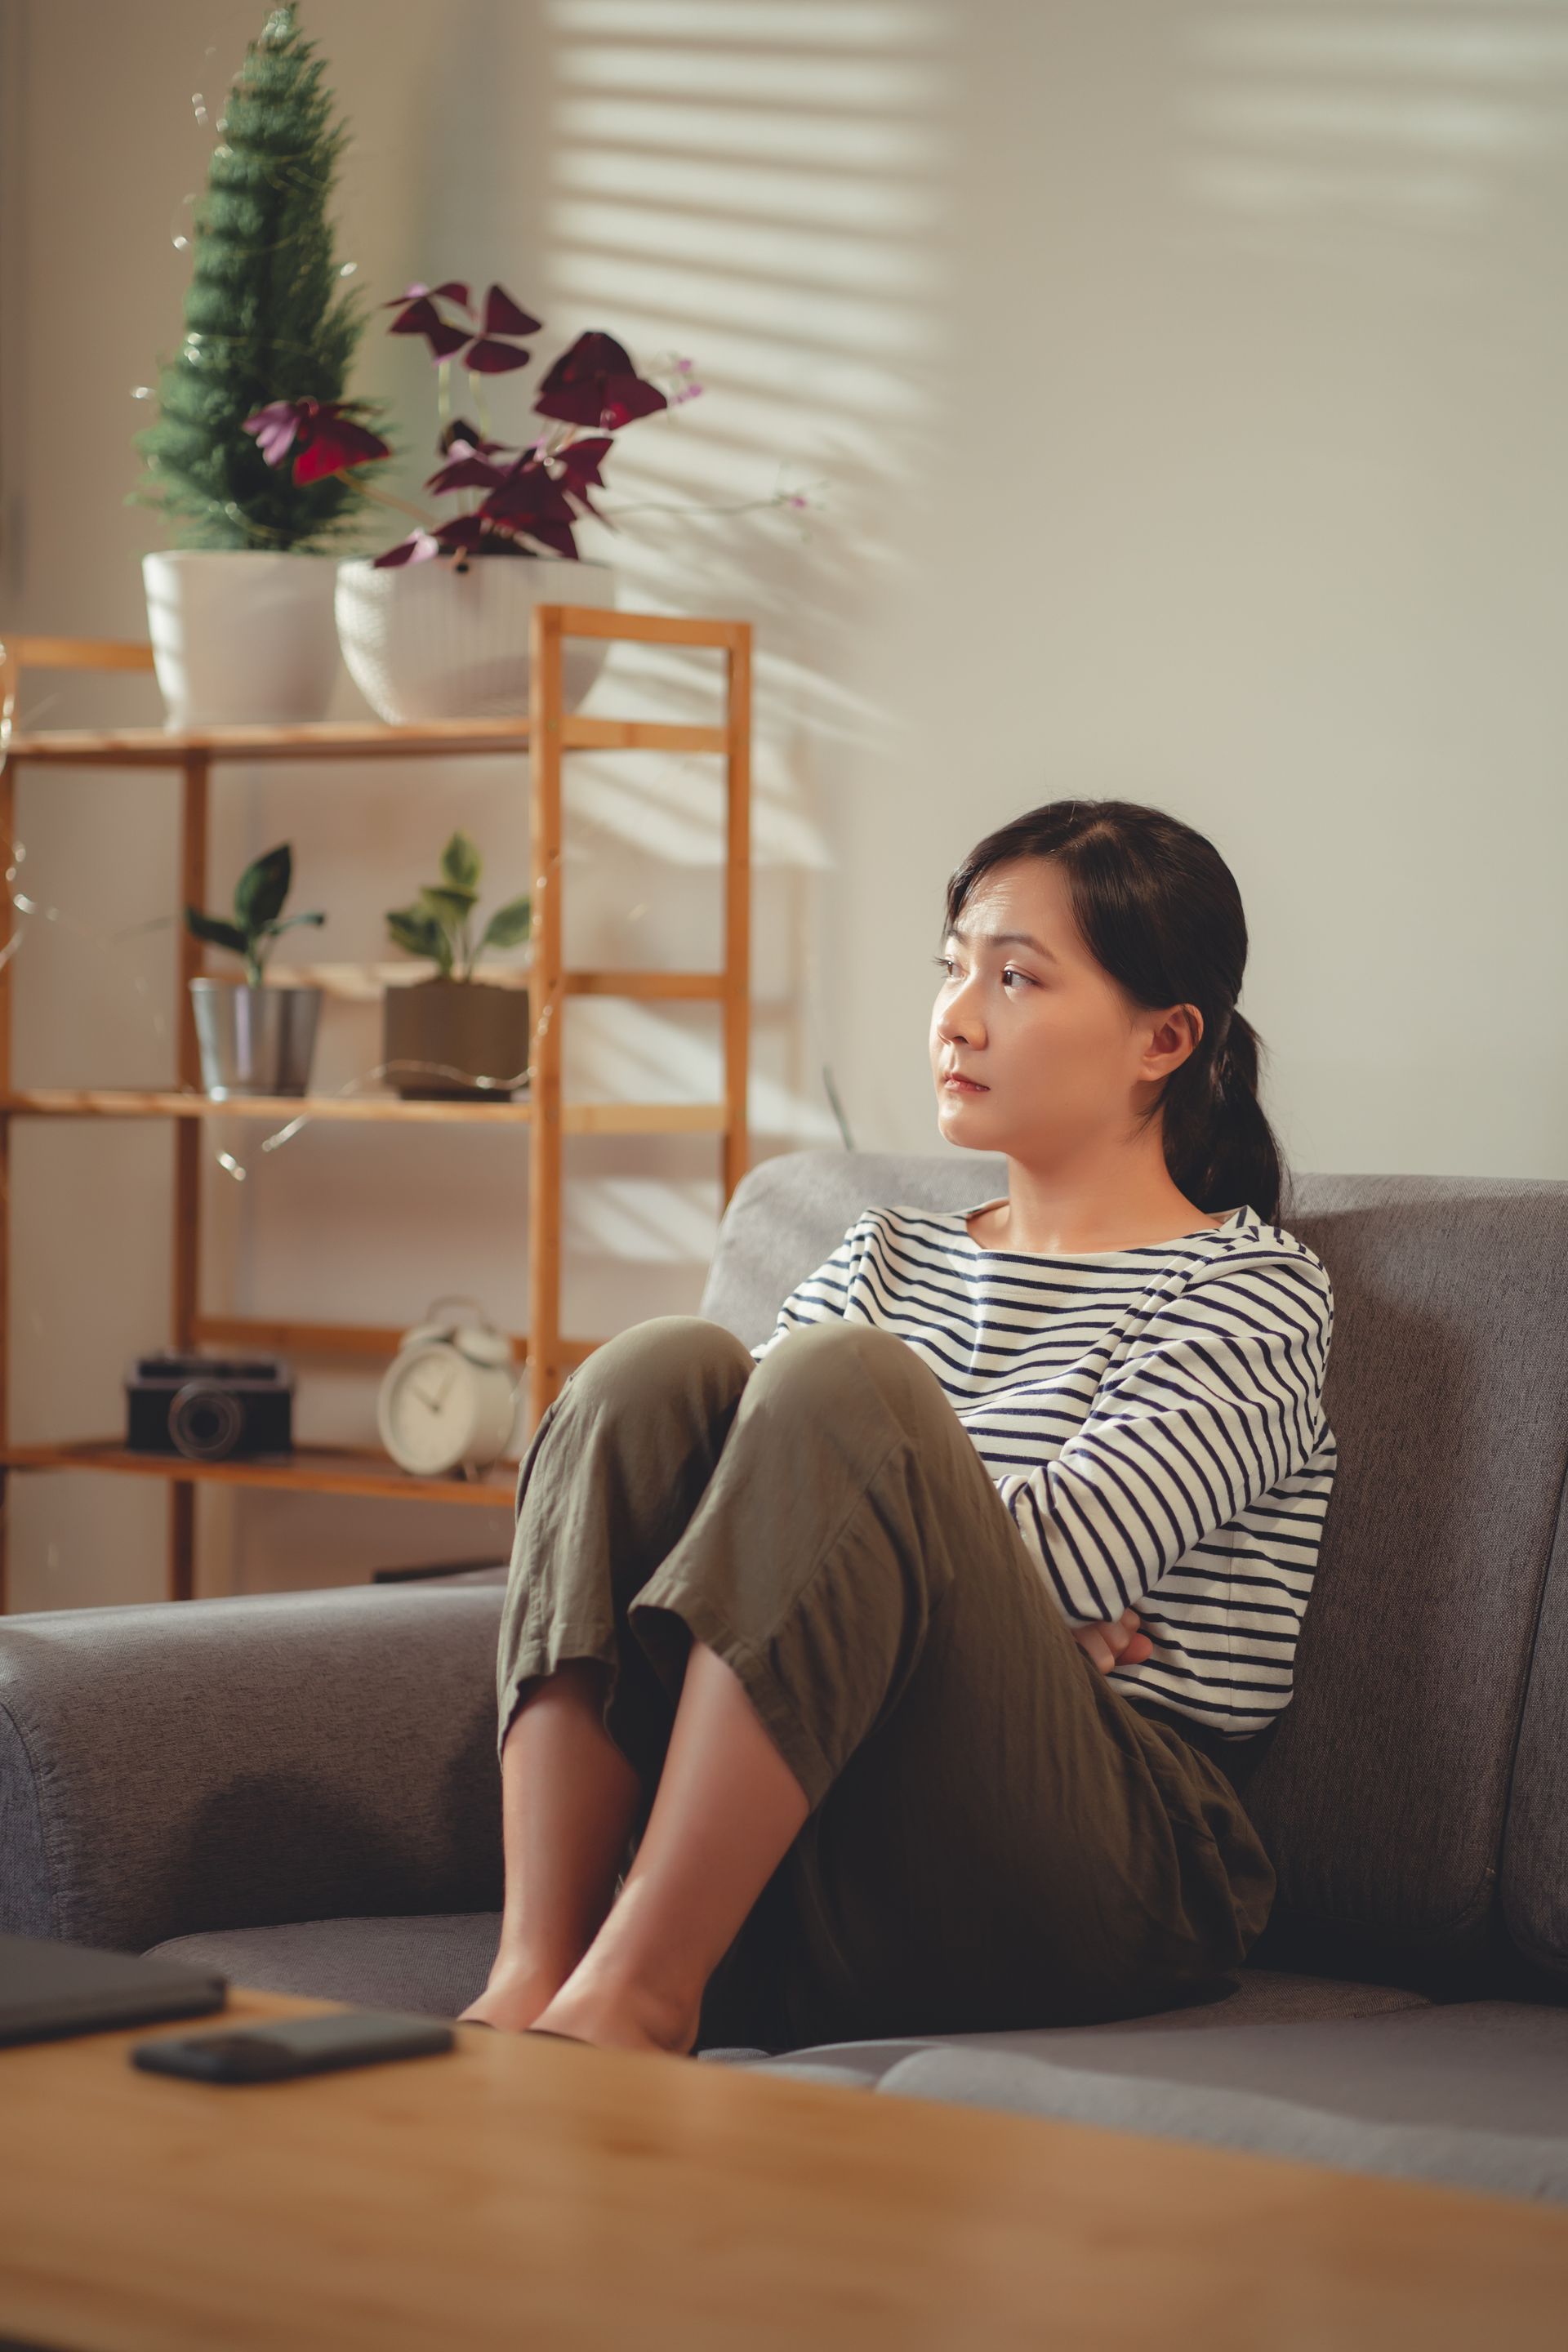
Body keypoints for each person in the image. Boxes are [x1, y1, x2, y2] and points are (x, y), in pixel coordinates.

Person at [459, 797, 1338, 2058]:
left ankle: (642, 1999)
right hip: (842, 1813)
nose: (958, 1016)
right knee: (654, 1373)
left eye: (1018, 978)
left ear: (1165, 1038)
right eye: (955, 970)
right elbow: (750, 1530)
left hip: (1115, 1863)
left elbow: (1044, 1554)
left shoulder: (1248, 1293)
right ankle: (539, 1968)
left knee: (841, 1391)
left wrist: (907, 1552)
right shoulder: (880, 1256)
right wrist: (944, 1586)